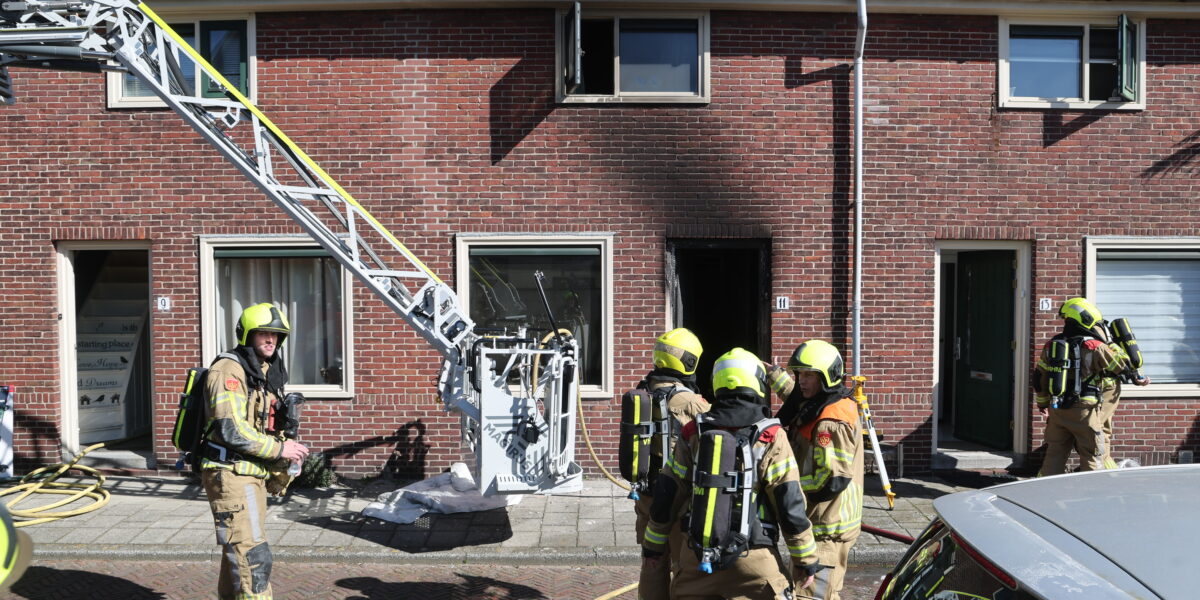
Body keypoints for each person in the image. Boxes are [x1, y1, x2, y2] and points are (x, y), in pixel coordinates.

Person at [642, 348, 822, 600]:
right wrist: (805, 559)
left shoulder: (694, 431)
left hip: (697, 560)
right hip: (755, 560)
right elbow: (789, 501)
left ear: (717, 383)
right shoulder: (771, 436)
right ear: (757, 383)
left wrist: (653, 548)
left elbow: (668, 494)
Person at [201, 302, 309, 600]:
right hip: (231, 475)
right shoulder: (229, 370)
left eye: (276, 334)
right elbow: (231, 430)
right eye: (264, 332)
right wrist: (280, 449)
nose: (271, 339)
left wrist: (284, 458)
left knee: (238, 554)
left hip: (251, 474)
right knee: (254, 559)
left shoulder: (262, 373)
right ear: (247, 334)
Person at [765, 340, 863, 600]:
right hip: (825, 524)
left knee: (810, 595)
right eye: (800, 374)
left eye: (809, 375)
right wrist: (776, 376)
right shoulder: (826, 401)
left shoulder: (830, 423)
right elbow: (799, 398)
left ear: (826, 377)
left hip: (825, 529)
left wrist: (783, 487)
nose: (802, 381)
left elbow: (830, 480)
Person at [631, 328, 711, 600]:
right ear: (689, 362)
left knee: (652, 563)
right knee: (683, 568)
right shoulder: (690, 402)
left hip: (646, 495)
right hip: (678, 500)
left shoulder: (642, 392)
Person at [1033, 297, 1148, 476]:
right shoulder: (1094, 346)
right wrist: (1111, 343)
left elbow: (1039, 377)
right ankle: (1094, 495)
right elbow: (1122, 366)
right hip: (1085, 411)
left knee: (1055, 455)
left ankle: (1042, 492)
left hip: (1058, 409)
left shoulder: (1052, 344)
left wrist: (1042, 403)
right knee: (1093, 455)